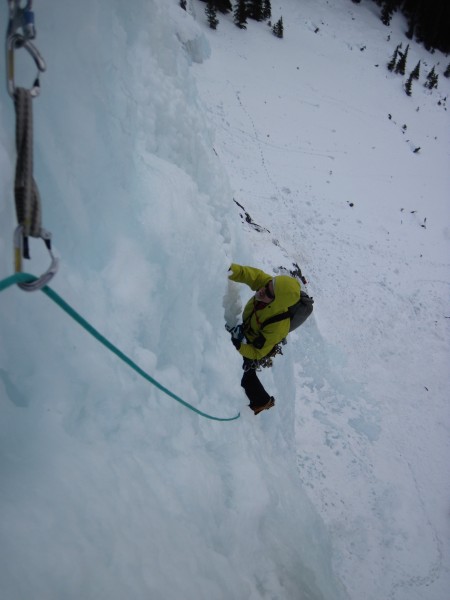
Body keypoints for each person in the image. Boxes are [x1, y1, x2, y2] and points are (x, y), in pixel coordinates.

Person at [227, 263, 301, 415]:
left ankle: (262, 402)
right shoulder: (269, 285)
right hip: (247, 330)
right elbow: (246, 274)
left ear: (277, 302)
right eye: (267, 285)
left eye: (269, 294)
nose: (262, 291)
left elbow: (257, 353)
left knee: (247, 375)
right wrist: (225, 268)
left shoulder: (278, 326)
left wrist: (238, 347)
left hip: (257, 346)